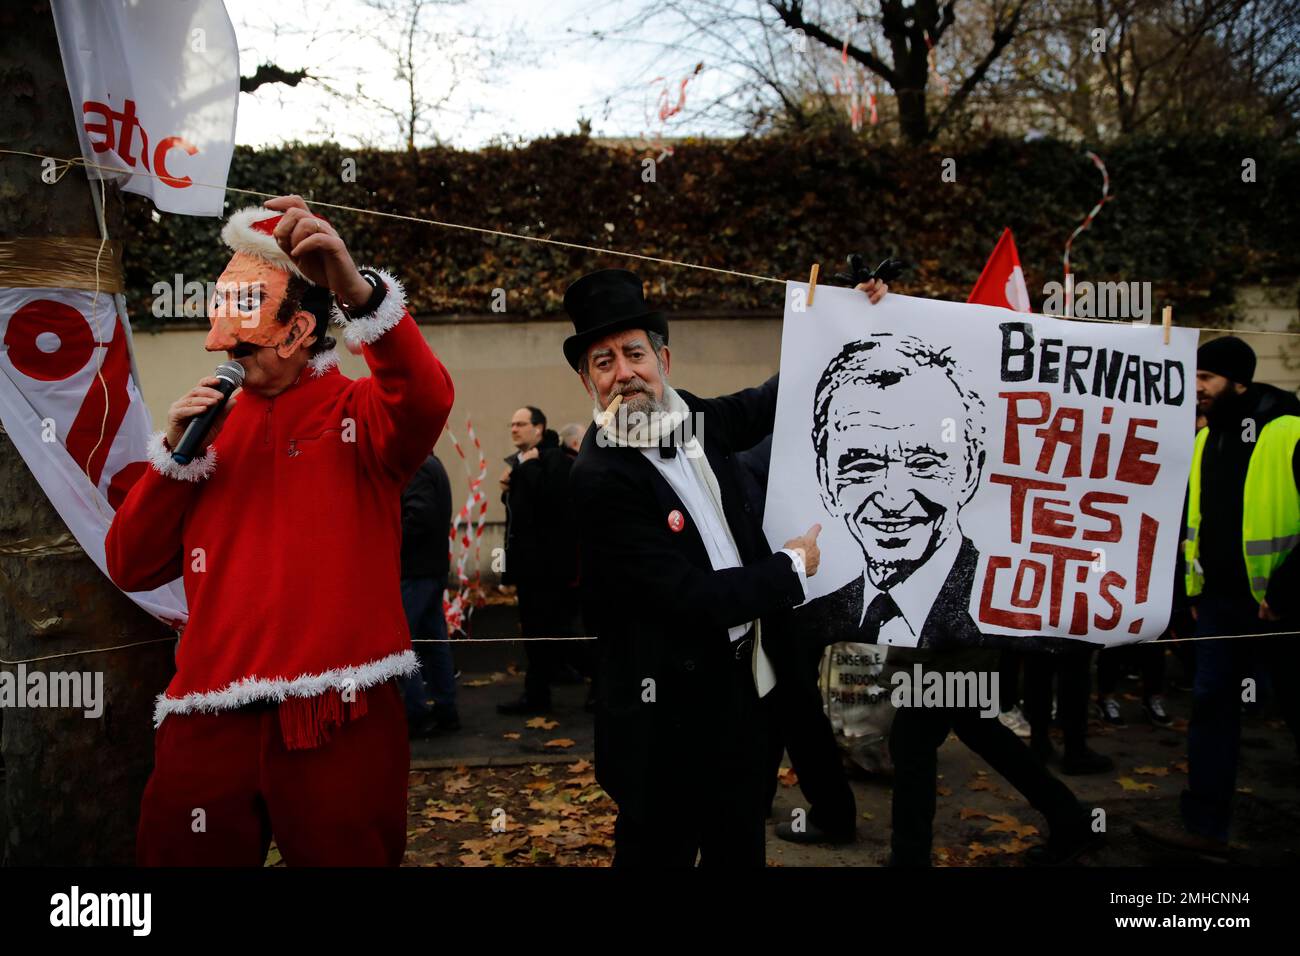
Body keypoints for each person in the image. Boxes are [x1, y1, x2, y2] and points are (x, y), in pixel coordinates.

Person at [106, 197, 454, 866]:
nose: (225, 356)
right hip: (208, 715)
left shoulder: (360, 411)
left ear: (297, 331)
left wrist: (359, 293)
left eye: (245, 341)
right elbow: (129, 563)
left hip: (340, 714)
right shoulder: (204, 431)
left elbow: (427, 397)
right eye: (222, 339)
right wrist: (172, 460)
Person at [564, 267, 861, 866]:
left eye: (633, 353)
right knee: (658, 855)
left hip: (741, 700)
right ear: (586, 379)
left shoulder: (693, 418)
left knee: (740, 849)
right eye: (603, 362)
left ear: (663, 359)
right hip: (664, 722)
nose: (623, 373)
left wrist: (847, 311)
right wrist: (788, 570)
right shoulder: (599, 478)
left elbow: (771, 400)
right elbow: (688, 598)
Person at [793, 333, 1100, 865]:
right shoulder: (832, 598)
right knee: (975, 727)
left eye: (925, 462)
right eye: (862, 462)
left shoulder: (979, 590)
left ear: (970, 471)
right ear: (824, 474)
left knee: (917, 739)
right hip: (938, 652)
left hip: (955, 650)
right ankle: (1068, 817)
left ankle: (911, 858)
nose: (892, 496)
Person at [1135, 336, 1300, 861]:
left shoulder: (1289, 431)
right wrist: (1194, 593)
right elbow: (1197, 526)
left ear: (1240, 381)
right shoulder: (1207, 439)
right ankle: (1205, 827)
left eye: (1207, 378)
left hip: (1285, 608)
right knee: (1210, 708)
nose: (1197, 388)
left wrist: (1286, 591)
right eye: (1195, 376)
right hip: (1222, 608)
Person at [497, 407, 583, 714]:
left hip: (546, 569)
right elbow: (520, 517)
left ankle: (538, 695)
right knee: (541, 631)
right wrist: (508, 489)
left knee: (543, 631)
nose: (514, 429)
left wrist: (527, 470)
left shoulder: (554, 459)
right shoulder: (525, 461)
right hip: (530, 568)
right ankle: (551, 681)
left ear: (539, 428)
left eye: (521, 424)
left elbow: (552, 504)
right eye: (512, 424)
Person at [400, 451, 460, 735]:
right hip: (430, 569)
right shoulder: (432, 463)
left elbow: (417, 519)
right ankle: (445, 709)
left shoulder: (417, 466)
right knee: (434, 639)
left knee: (403, 641)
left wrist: (388, 544)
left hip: (415, 571)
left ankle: (416, 712)